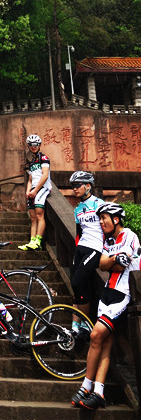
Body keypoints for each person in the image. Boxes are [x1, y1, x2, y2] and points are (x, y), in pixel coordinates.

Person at [71, 202, 140, 410]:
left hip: (123, 294)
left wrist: (112, 260)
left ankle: (86, 385)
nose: (100, 222)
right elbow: (102, 264)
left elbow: (121, 266)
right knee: (105, 343)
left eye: (104, 218)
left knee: (95, 335)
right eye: (99, 218)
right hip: (107, 293)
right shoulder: (108, 240)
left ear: (116, 219)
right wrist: (114, 259)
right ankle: (98, 392)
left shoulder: (129, 236)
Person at [69, 171, 104, 336]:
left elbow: (107, 228)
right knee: (77, 287)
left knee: (78, 282)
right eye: (73, 186)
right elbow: (79, 233)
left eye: (77, 185)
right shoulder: (77, 209)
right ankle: (75, 326)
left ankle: (85, 323)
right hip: (81, 249)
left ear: (88, 186)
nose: (74, 189)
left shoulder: (98, 204)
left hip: (95, 248)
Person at [18, 134, 51, 251]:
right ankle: (32, 241)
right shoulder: (32, 162)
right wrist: (28, 191)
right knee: (32, 217)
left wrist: (36, 190)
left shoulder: (44, 158)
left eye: (35, 144)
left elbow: (45, 175)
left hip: (42, 188)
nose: (33, 146)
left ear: (39, 145)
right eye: (31, 145)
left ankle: (38, 240)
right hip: (33, 190)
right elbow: (30, 180)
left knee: (39, 214)